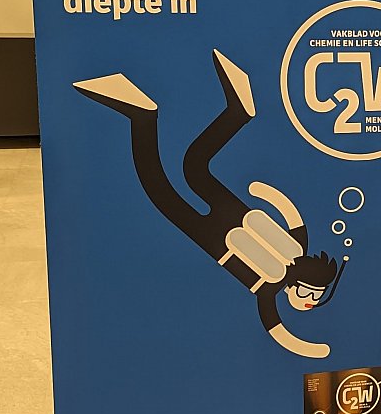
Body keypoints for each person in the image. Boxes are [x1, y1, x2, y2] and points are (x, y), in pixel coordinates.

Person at [75, 49, 347, 358]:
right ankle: (165, 114)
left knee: (190, 169)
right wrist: (264, 193)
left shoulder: (275, 281)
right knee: (176, 179)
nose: (310, 301)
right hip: (222, 224)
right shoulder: (287, 262)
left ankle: (221, 112)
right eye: (312, 294)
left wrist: (266, 194)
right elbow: (292, 219)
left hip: (218, 229)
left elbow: (278, 329)